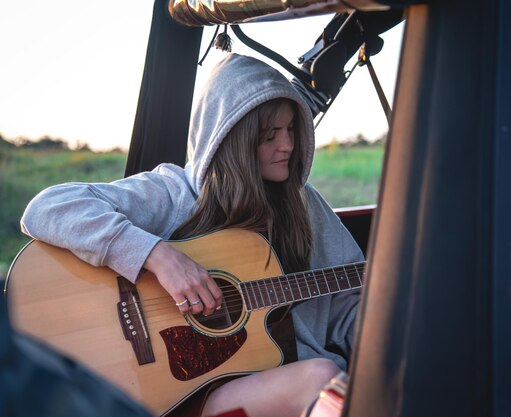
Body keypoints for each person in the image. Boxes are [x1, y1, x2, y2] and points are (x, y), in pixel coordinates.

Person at [21, 53, 364, 417]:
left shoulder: (303, 204)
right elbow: (48, 208)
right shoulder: (173, 194)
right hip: (187, 398)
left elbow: (345, 306)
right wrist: (158, 257)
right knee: (323, 380)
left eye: (292, 129)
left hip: (273, 377)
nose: (288, 145)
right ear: (233, 139)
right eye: (270, 135)